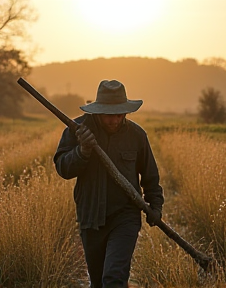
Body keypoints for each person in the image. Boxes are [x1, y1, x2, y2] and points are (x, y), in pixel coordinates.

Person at [53, 80, 164, 288]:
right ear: (98, 112)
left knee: (113, 279)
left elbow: (150, 177)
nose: (114, 120)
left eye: (119, 114)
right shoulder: (77, 131)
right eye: (108, 115)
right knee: (97, 283)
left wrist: (155, 206)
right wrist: (82, 151)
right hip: (90, 218)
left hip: (125, 217)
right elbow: (63, 169)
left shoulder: (137, 135)